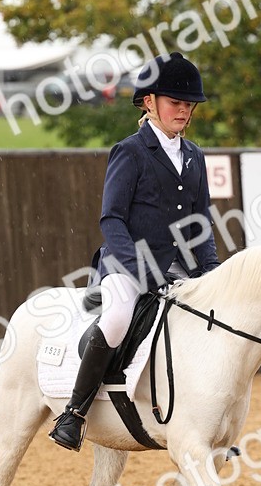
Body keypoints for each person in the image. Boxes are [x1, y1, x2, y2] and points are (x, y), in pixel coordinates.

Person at [49, 51, 220, 451]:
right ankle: (74, 412)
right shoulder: (131, 151)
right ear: (149, 102)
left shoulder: (194, 155)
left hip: (179, 269)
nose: (184, 110)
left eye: (188, 104)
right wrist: (144, 273)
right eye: (175, 102)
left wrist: (212, 273)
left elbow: (200, 224)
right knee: (117, 319)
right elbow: (112, 220)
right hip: (126, 268)